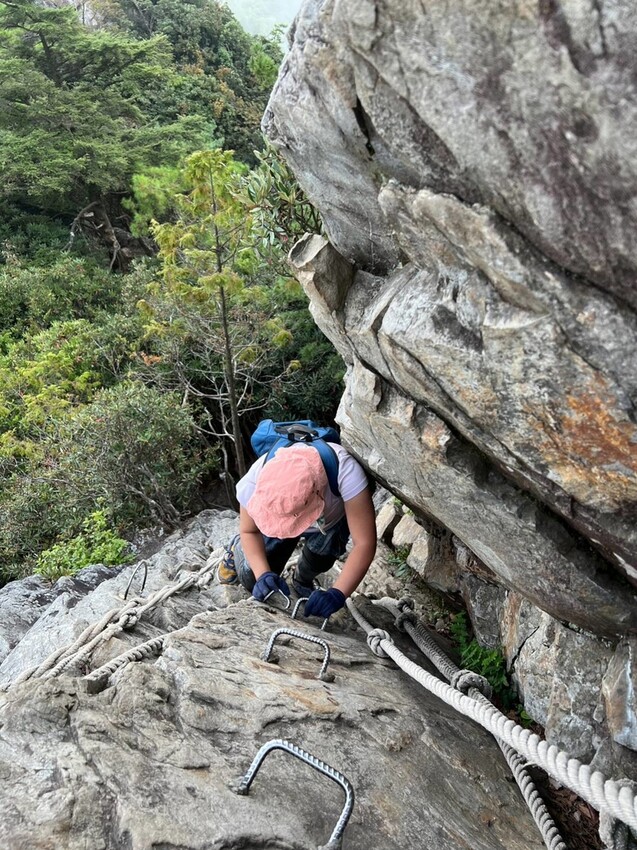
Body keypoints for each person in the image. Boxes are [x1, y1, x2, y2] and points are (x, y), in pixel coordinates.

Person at [217, 440, 377, 619]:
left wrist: (337, 593)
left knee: (322, 558)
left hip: (329, 522)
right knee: (251, 578)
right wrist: (263, 575)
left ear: (318, 493)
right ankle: (237, 548)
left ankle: (302, 579)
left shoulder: (346, 473)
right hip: (277, 522)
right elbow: (249, 531)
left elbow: (364, 543)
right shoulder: (257, 477)